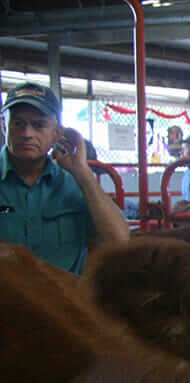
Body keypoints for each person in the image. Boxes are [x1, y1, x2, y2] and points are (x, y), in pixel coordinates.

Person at [0, 82, 130, 273]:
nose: (27, 134)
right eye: (18, 123)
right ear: (4, 126)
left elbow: (120, 242)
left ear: (57, 134)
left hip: (65, 299)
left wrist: (83, 174)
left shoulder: (74, 184)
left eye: (39, 125)